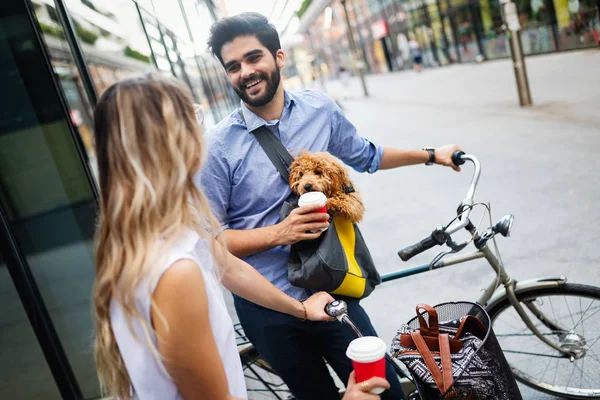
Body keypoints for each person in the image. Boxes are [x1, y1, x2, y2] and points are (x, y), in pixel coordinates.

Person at [200, 12, 462, 400]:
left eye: (254, 58)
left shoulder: (318, 110)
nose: (246, 72)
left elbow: (368, 155)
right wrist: (280, 233)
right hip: (269, 307)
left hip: (332, 291)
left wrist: (431, 154)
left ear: (279, 57)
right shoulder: (217, 147)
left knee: (385, 392)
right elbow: (210, 244)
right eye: (234, 66)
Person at [91, 75, 389, 399]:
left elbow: (231, 269)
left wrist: (301, 309)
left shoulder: (161, 236)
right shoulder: (174, 273)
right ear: (174, 145)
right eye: (192, 122)